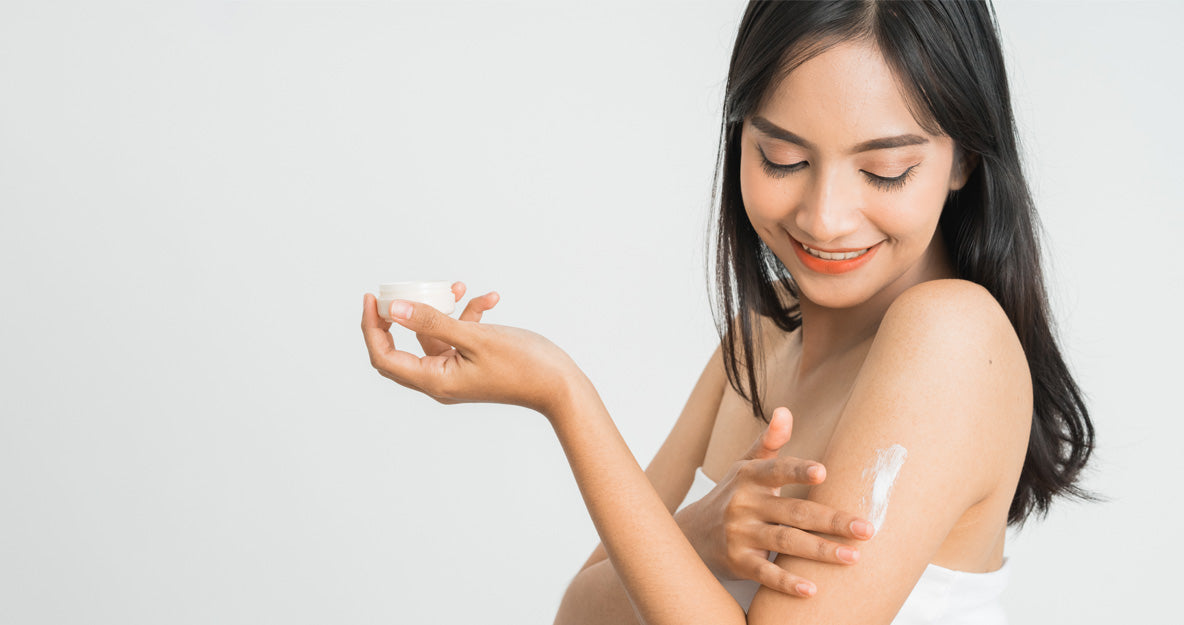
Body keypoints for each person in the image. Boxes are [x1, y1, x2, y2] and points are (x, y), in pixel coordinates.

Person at [360, 1, 1098, 623]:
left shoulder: (953, 336)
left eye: (885, 171)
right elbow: (580, 612)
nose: (826, 216)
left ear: (964, 158)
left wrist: (564, 395)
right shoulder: (758, 339)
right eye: (782, 158)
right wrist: (699, 537)